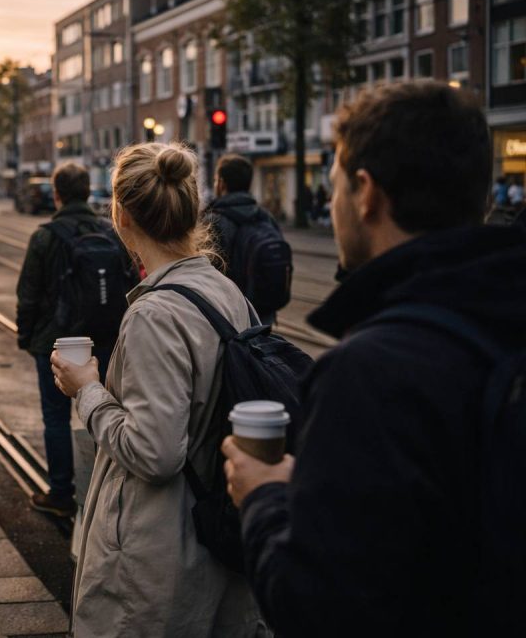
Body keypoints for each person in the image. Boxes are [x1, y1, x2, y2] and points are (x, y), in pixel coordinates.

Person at [222, 81, 526, 636]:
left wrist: (264, 495)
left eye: (335, 185)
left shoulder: (372, 371)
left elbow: (316, 605)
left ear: (366, 194)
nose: (334, 202)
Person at [52, 143, 266, 637]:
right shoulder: (226, 291)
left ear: (120, 215)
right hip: (216, 539)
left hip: (158, 557)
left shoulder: (153, 315)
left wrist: (86, 390)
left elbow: (154, 452)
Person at [16, 162, 134, 518]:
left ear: (57, 194)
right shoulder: (112, 234)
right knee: (104, 413)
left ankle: (61, 494)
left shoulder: (45, 237)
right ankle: (106, 497)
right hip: (103, 341)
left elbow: (29, 293)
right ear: (88, 192)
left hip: (55, 343)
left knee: (55, 418)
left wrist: (27, 336)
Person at [206, 153, 292, 324]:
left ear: (221, 183)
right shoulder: (266, 217)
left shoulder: (213, 221)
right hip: (263, 315)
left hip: (229, 317)